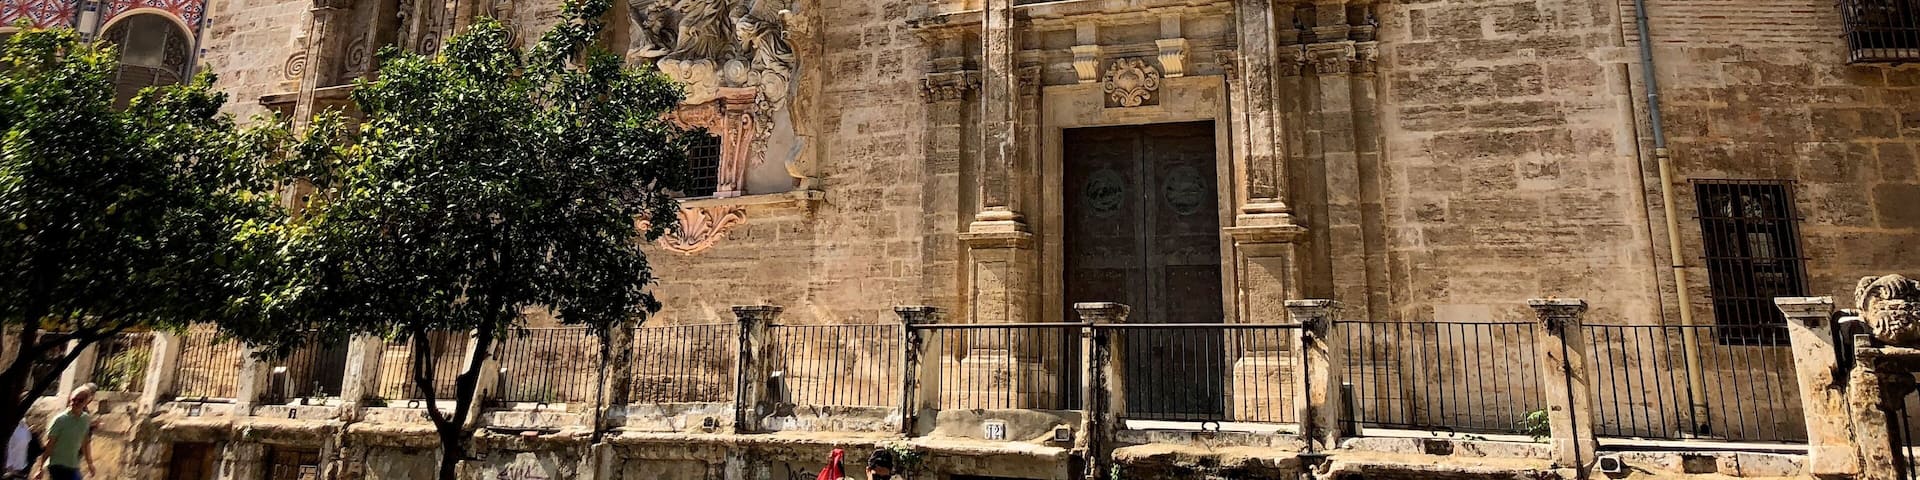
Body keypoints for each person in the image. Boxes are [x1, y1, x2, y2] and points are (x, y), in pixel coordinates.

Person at [32, 385, 94, 480]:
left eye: (80, 400)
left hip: (73, 465)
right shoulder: (60, 420)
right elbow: (50, 444)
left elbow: (85, 442)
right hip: (57, 465)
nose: (76, 402)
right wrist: (40, 468)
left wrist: (90, 463)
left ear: (86, 402)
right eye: (74, 399)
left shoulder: (85, 419)